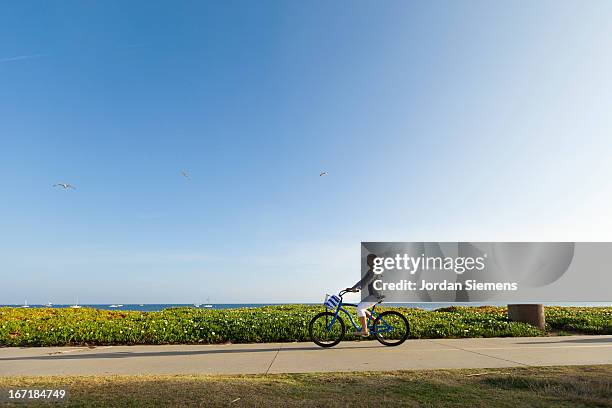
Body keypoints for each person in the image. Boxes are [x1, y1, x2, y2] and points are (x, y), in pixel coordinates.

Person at [345, 253, 382, 336]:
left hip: (376, 296)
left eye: (368, 260)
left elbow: (367, 282)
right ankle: (375, 320)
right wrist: (352, 288)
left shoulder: (374, 270)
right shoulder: (371, 270)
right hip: (373, 295)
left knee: (359, 308)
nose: (366, 261)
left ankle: (364, 331)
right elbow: (362, 281)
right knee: (362, 307)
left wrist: (357, 289)